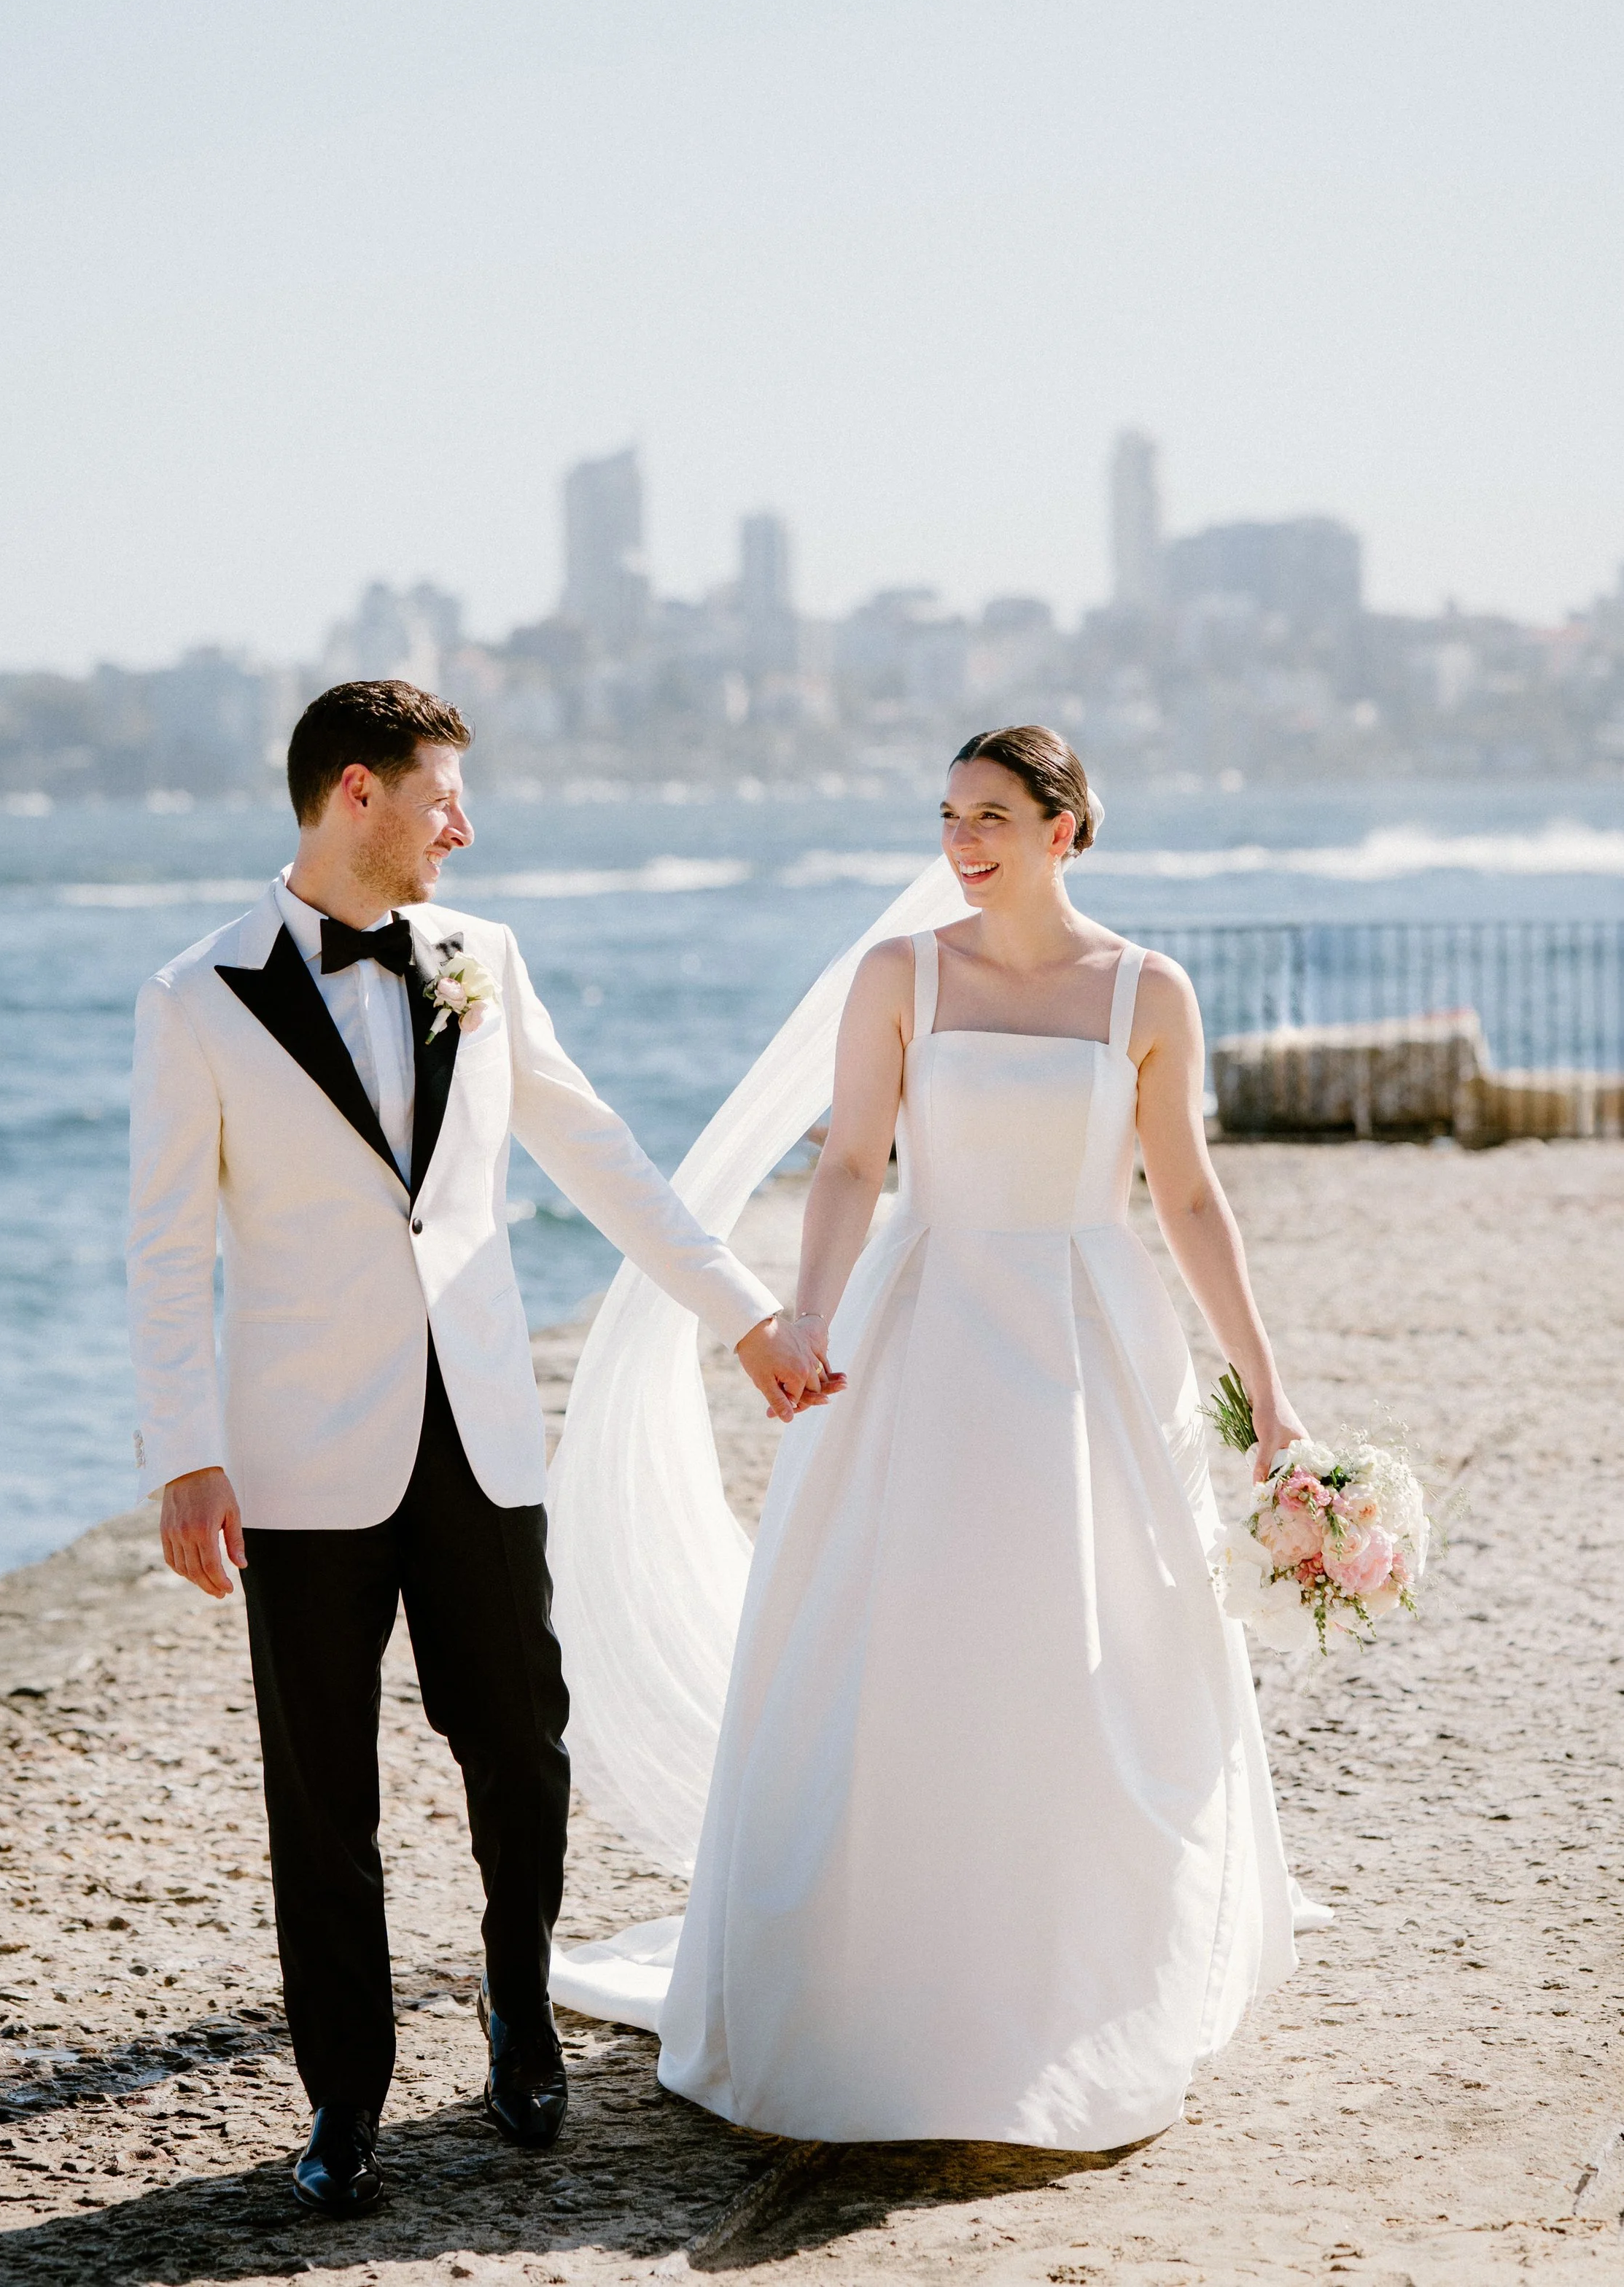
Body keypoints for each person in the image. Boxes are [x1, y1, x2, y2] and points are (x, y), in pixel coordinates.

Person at [551, 723, 1312, 2148]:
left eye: (991, 818)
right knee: (909, 1634)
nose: (961, 843)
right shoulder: (899, 974)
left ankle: (1074, 1976)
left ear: (1063, 830)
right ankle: (884, 1981)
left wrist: (1264, 1389)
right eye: (948, 817)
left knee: (1088, 1641)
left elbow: (1188, 1199)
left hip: (1090, 1339)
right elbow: (846, 1160)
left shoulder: (1145, 992)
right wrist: (810, 1323)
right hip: (927, 1329)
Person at [125, 680, 820, 2215]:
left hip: (482, 1437)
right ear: (354, 795)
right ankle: (344, 2104)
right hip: (300, 1456)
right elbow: (167, 1252)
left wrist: (745, 1316)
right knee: (323, 1794)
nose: (466, 825)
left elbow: (601, 1153)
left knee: (521, 1748)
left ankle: (517, 2004)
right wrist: (184, 1453)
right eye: (443, 795)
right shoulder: (196, 997)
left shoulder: (483, 961)